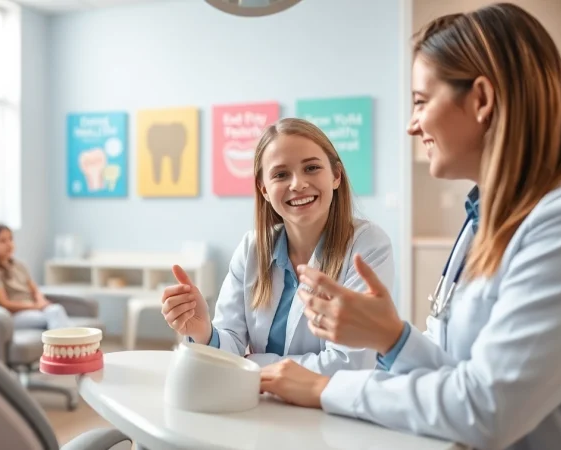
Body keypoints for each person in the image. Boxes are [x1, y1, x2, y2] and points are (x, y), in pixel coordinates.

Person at [259, 4, 561, 450]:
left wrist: (326, 389)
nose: (412, 125)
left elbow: (486, 408)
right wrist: (392, 338)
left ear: (481, 100)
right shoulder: (487, 219)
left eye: (420, 102)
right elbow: (459, 374)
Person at [161, 117, 395, 374]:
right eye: (281, 175)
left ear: (336, 176)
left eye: (311, 168)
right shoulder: (252, 249)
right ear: (264, 189)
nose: (298, 184)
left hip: (330, 399)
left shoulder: (368, 245)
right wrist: (203, 332)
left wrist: (251, 364)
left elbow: (349, 363)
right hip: (257, 397)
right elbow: (229, 346)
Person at [0, 223, 72, 330]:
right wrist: (35, 306)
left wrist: (41, 302)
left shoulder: (19, 265)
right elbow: (4, 304)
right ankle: (64, 340)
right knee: (55, 313)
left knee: (56, 310)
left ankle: (65, 340)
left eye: (10, 239)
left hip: (33, 309)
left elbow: (34, 289)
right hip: (15, 316)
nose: (9, 244)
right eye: (2, 241)